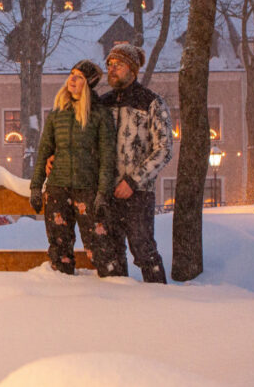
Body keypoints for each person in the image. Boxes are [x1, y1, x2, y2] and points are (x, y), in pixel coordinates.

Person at [29, 60, 116, 276]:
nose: (72, 80)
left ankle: (115, 291)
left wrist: (103, 192)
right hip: (58, 187)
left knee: (99, 247)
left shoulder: (99, 114)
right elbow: (44, 150)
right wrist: (36, 186)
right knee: (59, 248)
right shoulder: (57, 113)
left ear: (88, 84)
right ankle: (63, 293)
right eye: (71, 74)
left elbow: (107, 156)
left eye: (79, 77)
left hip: (87, 188)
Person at [99, 43, 172, 283]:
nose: (111, 69)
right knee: (110, 255)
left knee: (143, 251)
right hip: (106, 191)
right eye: (109, 65)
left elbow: (164, 149)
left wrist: (132, 181)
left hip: (138, 193)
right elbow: (85, 142)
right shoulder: (103, 104)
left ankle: (160, 302)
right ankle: (117, 309)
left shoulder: (151, 102)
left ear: (132, 69)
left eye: (117, 65)